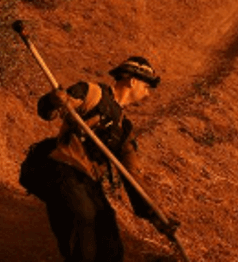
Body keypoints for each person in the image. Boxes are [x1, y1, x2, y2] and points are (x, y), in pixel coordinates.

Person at [20, 55, 177, 262]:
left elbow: (133, 177)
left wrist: (157, 217)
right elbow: (48, 111)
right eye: (147, 87)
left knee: (110, 245)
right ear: (133, 81)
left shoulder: (124, 129)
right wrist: (54, 100)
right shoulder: (92, 93)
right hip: (64, 170)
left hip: (89, 184)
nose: (148, 94)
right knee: (85, 219)